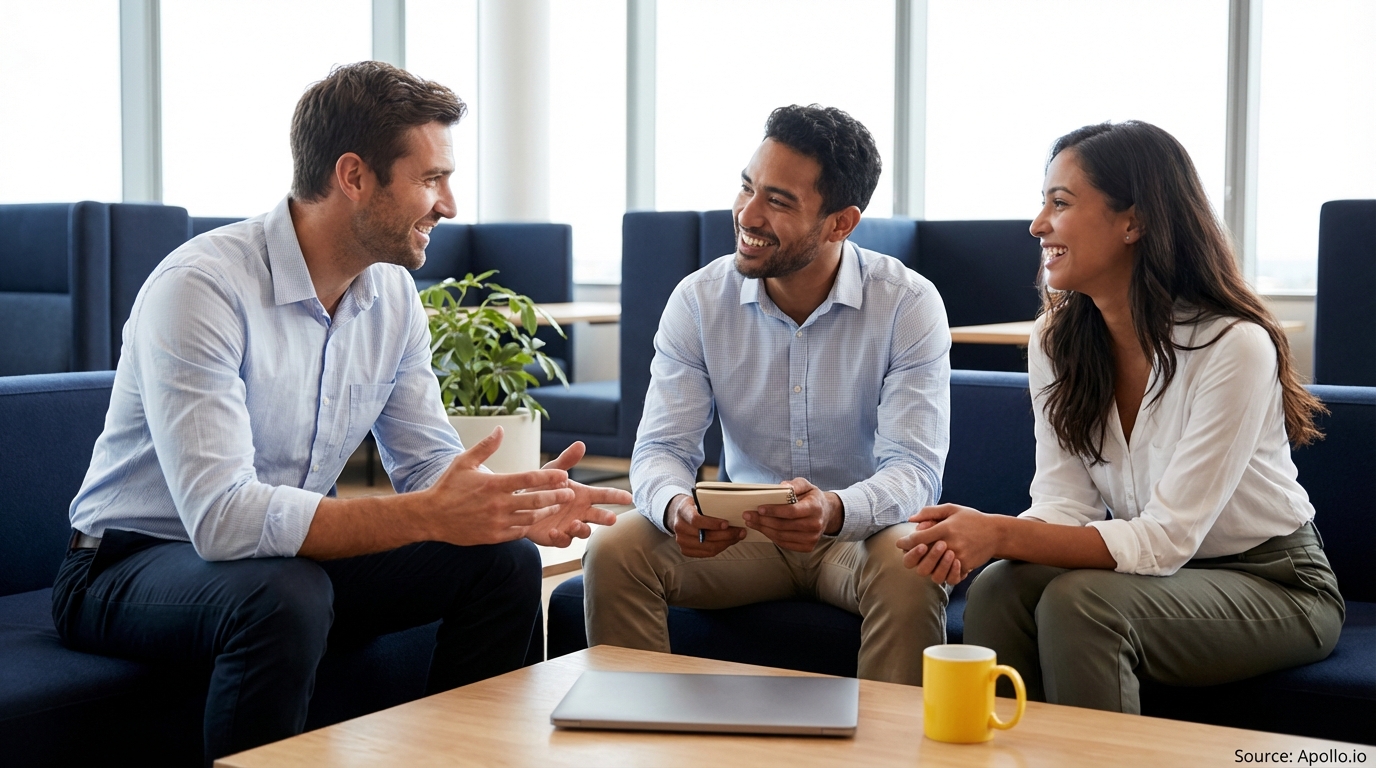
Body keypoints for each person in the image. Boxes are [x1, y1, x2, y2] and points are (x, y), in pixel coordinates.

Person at [52, 61, 630, 762]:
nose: (449, 205)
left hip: (281, 560)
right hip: (125, 565)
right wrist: (427, 516)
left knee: (501, 562)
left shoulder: (392, 295)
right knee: (283, 594)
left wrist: (504, 507)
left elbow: (426, 460)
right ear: (353, 176)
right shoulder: (201, 287)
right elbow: (224, 519)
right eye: (431, 179)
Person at [898, 120, 1345, 713]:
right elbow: (1064, 505)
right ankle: (1009, 752)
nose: (1037, 225)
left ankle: (1088, 753)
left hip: (1275, 582)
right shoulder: (1056, 340)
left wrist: (999, 532)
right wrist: (978, 545)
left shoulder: (1234, 345)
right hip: (1161, 575)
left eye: (1060, 203)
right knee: (1000, 587)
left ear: (1133, 222)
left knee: (1083, 605)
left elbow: (1167, 539)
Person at [583, 105, 952, 685]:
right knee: (614, 548)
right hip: (743, 536)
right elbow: (661, 448)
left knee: (912, 564)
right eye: (747, 187)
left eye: (778, 201)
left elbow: (915, 468)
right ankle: (639, 725)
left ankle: (891, 737)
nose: (747, 214)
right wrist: (676, 506)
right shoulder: (698, 300)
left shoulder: (907, 303)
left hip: (862, 536)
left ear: (840, 223)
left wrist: (834, 510)